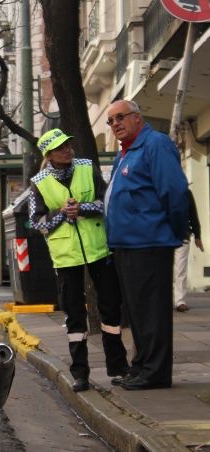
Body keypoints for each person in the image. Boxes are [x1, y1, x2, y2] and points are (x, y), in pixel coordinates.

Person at [29, 128, 129, 393]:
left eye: (69, 145)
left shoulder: (87, 167)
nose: (68, 150)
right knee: (74, 315)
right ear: (49, 155)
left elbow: (108, 201)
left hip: (98, 249)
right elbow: (35, 222)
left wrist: (82, 208)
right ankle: (80, 374)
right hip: (65, 257)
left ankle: (118, 369)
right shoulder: (38, 181)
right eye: (61, 148)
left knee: (110, 309)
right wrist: (62, 214)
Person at [104, 99, 189, 390]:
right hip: (127, 244)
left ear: (137, 118)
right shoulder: (125, 153)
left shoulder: (155, 144)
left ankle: (156, 373)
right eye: (111, 120)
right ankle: (142, 365)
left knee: (152, 312)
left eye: (120, 117)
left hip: (149, 243)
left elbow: (174, 191)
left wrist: (175, 231)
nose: (115, 124)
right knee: (138, 314)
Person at [173, 190, 203, 312]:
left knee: (180, 269)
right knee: (164, 270)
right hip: (163, 237)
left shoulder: (185, 192)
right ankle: (164, 300)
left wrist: (197, 235)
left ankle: (179, 300)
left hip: (182, 236)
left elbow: (193, 214)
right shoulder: (159, 189)